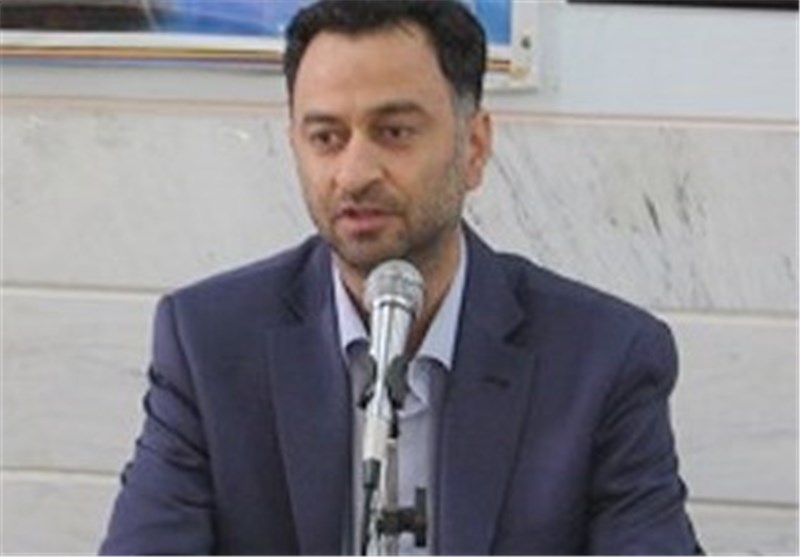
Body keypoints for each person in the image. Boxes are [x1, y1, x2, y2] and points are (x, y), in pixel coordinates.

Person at [100, 0, 702, 554]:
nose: (354, 172)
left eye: (394, 133)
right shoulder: (208, 344)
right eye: (326, 138)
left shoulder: (603, 358)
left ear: (474, 147)